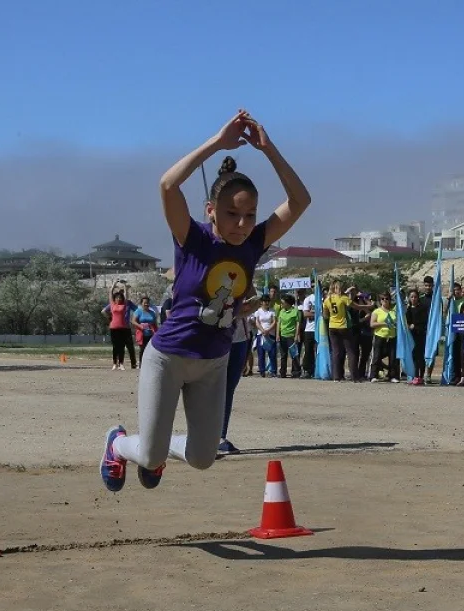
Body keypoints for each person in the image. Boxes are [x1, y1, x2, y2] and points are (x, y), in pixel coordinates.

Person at [99, 109, 310, 492]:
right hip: (168, 358)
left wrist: (269, 149)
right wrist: (217, 142)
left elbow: (300, 200)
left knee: (203, 457)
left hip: (213, 363)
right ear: (210, 211)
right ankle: (117, 443)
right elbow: (167, 185)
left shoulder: (253, 243)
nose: (242, 224)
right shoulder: (192, 238)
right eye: (232, 214)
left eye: (250, 215)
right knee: (149, 454)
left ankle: (158, 454)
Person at [323, 281, 370, 382]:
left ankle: (336, 376)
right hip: (343, 326)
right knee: (351, 351)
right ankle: (355, 377)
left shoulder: (327, 299)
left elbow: (325, 315)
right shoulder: (343, 298)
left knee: (336, 352)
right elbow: (356, 307)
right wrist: (368, 306)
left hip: (332, 326)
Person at [218, 309, 250, 455]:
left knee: (228, 391)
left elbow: (253, 301)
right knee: (210, 389)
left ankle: (220, 437)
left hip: (239, 340)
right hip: (217, 337)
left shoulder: (243, 286)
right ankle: (203, 436)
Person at [368, 292, 399, 382]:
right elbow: (372, 324)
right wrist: (384, 323)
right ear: (380, 301)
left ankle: (393, 376)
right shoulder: (377, 311)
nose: (385, 300)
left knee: (393, 357)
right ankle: (373, 375)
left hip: (392, 336)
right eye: (383, 299)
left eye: (387, 298)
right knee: (376, 356)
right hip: (379, 336)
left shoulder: (393, 311)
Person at [103, 288, 133, 371]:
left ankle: (121, 364)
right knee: (115, 347)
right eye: (117, 298)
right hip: (113, 328)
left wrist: (124, 286)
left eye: (120, 298)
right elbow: (110, 293)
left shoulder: (124, 305)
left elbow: (126, 296)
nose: (118, 299)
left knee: (121, 347)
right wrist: (113, 285)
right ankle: (114, 363)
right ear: (114, 299)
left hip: (123, 328)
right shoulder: (112, 305)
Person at [275, 294, 302, 378]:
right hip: (282, 335)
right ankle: (282, 372)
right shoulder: (281, 311)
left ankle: (296, 372)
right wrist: (277, 335)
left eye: (283, 303)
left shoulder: (295, 311)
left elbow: (298, 324)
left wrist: (296, 335)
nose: (281, 304)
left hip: (291, 336)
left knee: (294, 355)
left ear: (288, 303)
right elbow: (279, 323)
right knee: (283, 355)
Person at [405, 288, 427, 385]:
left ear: (418, 298)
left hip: (420, 335)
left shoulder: (422, 308)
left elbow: (424, 321)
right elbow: (407, 321)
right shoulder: (408, 309)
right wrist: (409, 325)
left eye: (415, 297)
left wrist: (415, 325)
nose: (413, 299)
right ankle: (414, 375)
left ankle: (420, 376)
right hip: (411, 336)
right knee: (413, 356)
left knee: (420, 357)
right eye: (412, 297)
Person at [252, 294, 277, 377]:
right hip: (261, 334)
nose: (266, 303)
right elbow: (257, 322)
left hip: (270, 334)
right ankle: (262, 371)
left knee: (272, 353)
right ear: (261, 302)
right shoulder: (258, 311)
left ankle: (273, 371)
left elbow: (274, 322)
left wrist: (268, 330)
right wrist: (262, 330)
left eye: (268, 301)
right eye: (265, 301)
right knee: (261, 354)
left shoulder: (272, 311)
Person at [131, 295, 160, 364]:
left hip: (151, 334)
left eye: (147, 303)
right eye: (145, 302)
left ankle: (149, 363)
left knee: (151, 350)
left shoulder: (152, 312)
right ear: (141, 303)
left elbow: (155, 323)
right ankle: (141, 363)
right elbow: (133, 321)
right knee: (142, 349)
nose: (146, 304)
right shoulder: (138, 311)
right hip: (142, 334)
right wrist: (140, 326)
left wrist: (158, 332)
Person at [297, 287, 316, 379]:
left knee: (320, 351)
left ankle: (318, 369)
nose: (314, 288)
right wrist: (317, 314)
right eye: (312, 286)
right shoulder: (308, 299)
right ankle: (307, 370)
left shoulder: (323, 298)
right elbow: (305, 314)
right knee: (308, 351)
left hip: (321, 329)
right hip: (309, 329)